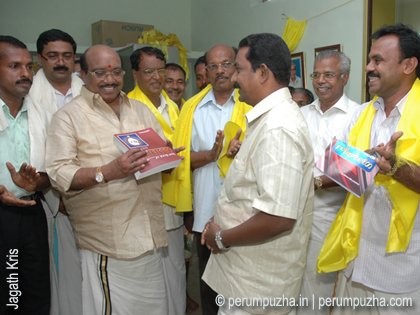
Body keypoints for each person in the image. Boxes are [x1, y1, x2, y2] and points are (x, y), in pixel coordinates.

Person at [46, 45, 179, 314]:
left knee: (155, 309)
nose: (110, 79)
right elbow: (59, 174)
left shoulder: (140, 110)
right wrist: (108, 172)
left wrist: (164, 158)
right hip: (109, 243)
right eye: (99, 73)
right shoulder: (67, 118)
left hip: (150, 238)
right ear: (81, 74)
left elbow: (152, 159)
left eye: (116, 72)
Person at [202, 33, 314, 315]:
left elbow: (278, 217)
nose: (234, 77)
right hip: (245, 275)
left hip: (257, 288)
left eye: (238, 69)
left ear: (262, 72)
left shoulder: (278, 127)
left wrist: (221, 237)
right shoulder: (267, 119)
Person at [317, 24, 420, 315]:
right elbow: (347, 178)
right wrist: (326, 169)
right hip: (355, 259)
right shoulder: (362, 114)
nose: (368, 67)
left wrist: (396, 168)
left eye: (378, 60)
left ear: (408, 65)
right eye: (369, 60)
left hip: (401, 269)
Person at [163, 44, 252, 315]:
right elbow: (179, 158)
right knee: (208, 284)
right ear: (205, 71)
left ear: (237, 67)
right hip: (204, 211)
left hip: (245, 213)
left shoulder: (252, 104)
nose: (220, 71)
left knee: (243, 282)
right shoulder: (193, 108)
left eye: (226, 64)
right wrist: (211, 155)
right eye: (212, 66)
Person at [297, 50, 359, 315]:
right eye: (316, 74)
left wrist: (314, 184)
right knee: (294, 282)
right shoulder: (300, 113)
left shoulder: (357, 115)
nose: (321, 81)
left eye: (329, 75)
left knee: (320, 287)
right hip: (294, 212)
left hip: (331, 216)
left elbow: (354, 170)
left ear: (344, 77)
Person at [128, 47, 186, 315]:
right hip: (142, 201)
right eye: (148, 71)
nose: (156, 77)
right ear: (135, 74)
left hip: (172, 197)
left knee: (175, 269)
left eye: (160, 70)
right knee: (149, 275)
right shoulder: (127, 106)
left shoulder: (171, 105)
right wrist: (163, 156)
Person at [29, 29, 83, 315]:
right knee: (62, 272)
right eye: (52, 55)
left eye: (66, 56)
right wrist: (56, 198)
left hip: (91, 192)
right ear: (40, 59)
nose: (60, 62)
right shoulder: (29, 96)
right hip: (52, 198)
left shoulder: (89, 90)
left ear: (74, 59)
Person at [0, 35, 51, 314]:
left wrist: (38, 182)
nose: (25, 74)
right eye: (14, 66)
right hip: (1, 213)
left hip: (32, 210)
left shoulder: (40, 113)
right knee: (8, 292)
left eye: (29, 67)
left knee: (35, 287)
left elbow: (53, 168)